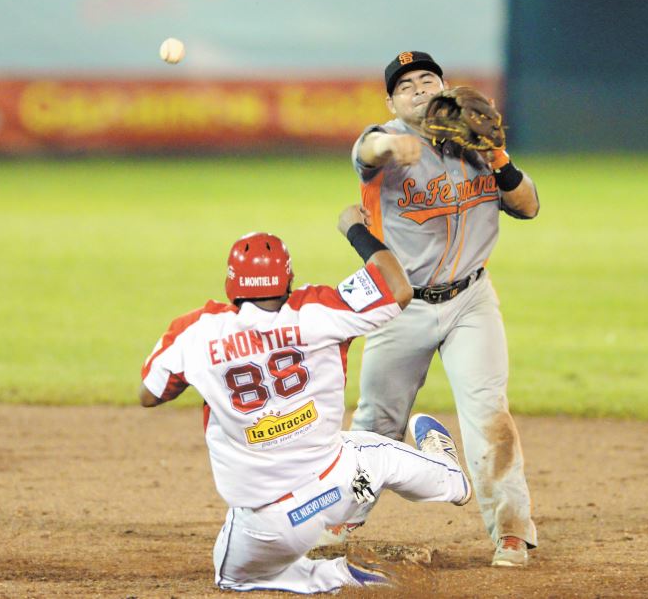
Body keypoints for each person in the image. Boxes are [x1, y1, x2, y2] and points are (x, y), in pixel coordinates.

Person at [138, 205, 472, 593]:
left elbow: (150, 393)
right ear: (288, 278)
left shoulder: (197, 333)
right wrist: (354, 230)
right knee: (373, 450)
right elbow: (398, 288)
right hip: (340, 488)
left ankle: (329, 576)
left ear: (232, 284)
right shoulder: (317, 310)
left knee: (231, 579)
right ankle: (452, 478)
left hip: (263, 529)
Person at [335, 51, 539, 567]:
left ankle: (511, 533)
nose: (419, 88)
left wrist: (498, 156)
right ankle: (340, 523)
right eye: (406, 85)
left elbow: (528, 206)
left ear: (444, 87)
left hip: (472, 299)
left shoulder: (473, 141)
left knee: (489, 413)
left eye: (428, 79)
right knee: (377, 422)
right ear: (391, 101)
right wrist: (392, 143)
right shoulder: (380, 141)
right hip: (404, 306)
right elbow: (369, 149)